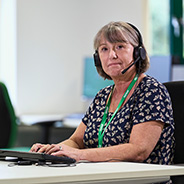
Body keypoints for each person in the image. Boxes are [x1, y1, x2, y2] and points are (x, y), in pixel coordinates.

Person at [30, 21, 175, 165]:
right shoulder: (102, 96)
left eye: (120, 47)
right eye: (104, 49)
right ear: (97, 58)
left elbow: (138, 150)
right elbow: (76, 141)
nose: (112, 55)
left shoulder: (151, 91)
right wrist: (52, 151)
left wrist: (80, 155)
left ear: (138, 53)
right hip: (104, 176)